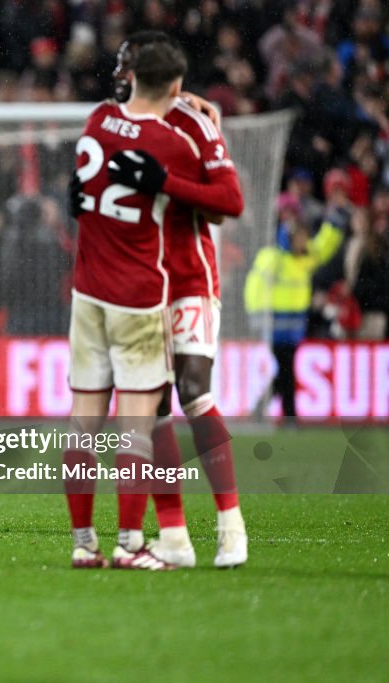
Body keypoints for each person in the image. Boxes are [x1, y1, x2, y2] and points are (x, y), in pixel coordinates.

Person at [65, 34, 243, 571]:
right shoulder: (121, 119)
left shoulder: (193, 122)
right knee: (154, 407)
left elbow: (223, 205)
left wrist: (166, 182)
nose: (118, 74)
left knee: (191, 390)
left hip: (186, 273)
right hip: (142, 278)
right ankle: (170, 535)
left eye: (126, 65)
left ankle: (229, 524)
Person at [245, 208, 344, 420]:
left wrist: (334, 223)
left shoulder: (302, 260)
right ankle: (290, 414)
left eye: (305, 237)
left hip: (293, 327)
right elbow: (255, 288)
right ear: (289, 238)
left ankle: (263, 408)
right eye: (300, 238)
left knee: (285, 370)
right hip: (275, 325)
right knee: (287, 369)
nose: (304, 242)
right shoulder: (273, 258)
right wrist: (257, 317)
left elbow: (323, 247)